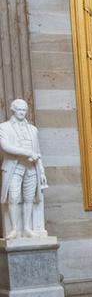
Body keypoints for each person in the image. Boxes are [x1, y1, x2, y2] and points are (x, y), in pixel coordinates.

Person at [0, 99, 48, 239]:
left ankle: (26, 227)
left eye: (24, 110)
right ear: (13, 110)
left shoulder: (33, 129)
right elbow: (6, 147)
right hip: (14, 168)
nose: (21, 113)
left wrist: (42, 171)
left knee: (29, 198)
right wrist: (28, 153)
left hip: (31, 168)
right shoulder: (4, 127)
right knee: (13, 197)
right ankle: (14, 228)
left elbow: (38, 152)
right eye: (19, 110)